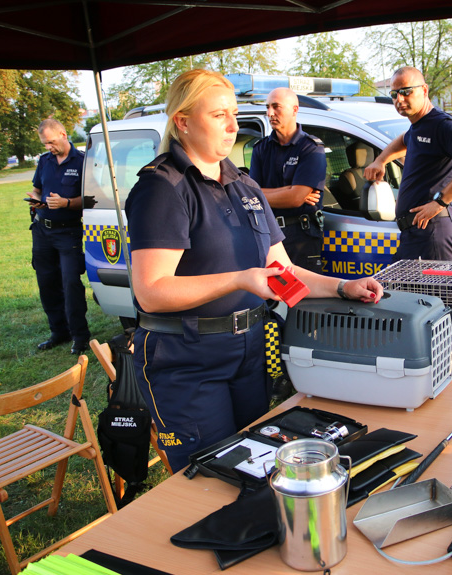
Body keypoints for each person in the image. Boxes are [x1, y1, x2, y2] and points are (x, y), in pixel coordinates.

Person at [124, 70, 383, 472]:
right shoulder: (162, 188)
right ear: (183, 121)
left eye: (233, 114)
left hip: (249, 351)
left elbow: (282, 270)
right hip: (188, 360)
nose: (232, 126)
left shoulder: (244, 185)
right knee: (211, 477)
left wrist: (343, 286)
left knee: (258, 466)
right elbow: (151, 292)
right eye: (218, 115)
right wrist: (241, 278)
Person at [364, 66, 452, 262]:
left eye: (406, 92)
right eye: (394, 94)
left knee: (436, 294)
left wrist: (440, 202)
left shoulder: (442, 125)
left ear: (424, 90)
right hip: (414, 235)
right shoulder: (419, 126)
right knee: (402, 292)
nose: (400, 100)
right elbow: (405, 139)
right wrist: (380, 161)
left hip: (432, 235)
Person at [27, 118, 90, 354]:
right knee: (47, 283)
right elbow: (37, 189)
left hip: (68, 233)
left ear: (63, 135)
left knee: (71, 283)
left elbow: (91, 200)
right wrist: (36, 201)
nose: (48, 147)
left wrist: (66, 203)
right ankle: (59, 332)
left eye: (51, 142)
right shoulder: (44, 162)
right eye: (45, 144)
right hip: (43, 230)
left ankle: (80, 335)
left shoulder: (83, 161)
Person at [249, 88, 327, 273]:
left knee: (302, 297)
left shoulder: (311, 148)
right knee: (272, 297)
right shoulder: (261, 148)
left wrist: (293, 194)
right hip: (268, 233)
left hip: (301, 235)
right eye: (267, 107)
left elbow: (295, 199)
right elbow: (251, 194)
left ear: (294, 109)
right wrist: (292, 191)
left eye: (276, 107)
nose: (270, 113)